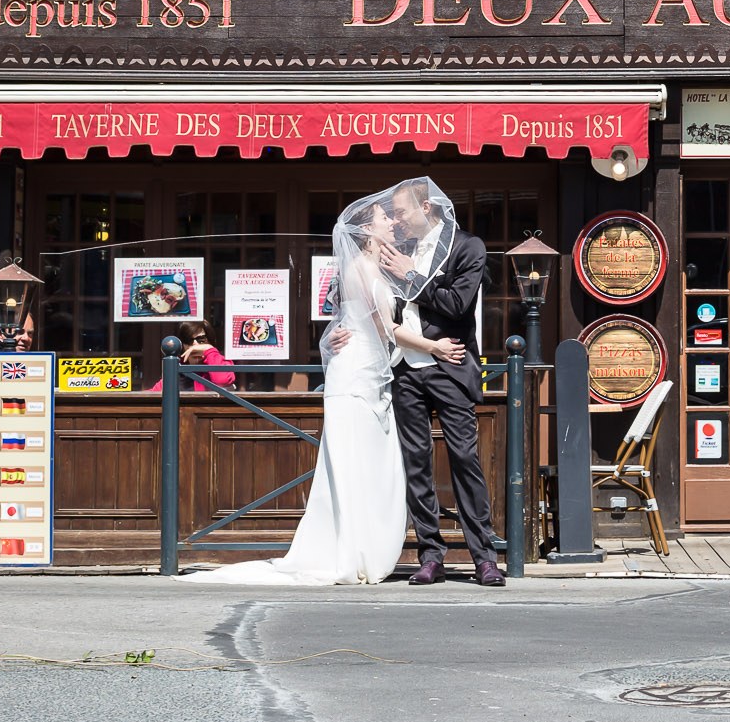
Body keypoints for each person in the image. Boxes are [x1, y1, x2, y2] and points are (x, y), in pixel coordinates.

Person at [184, 189, 454, 586]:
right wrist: (434, 347)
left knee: (369, 462)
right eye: (385, 219)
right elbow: (384, 328)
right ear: (367, 230)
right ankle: (348, 552)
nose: (392, 223)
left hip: (373, 373)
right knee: (350, 462)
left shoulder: (378, 268)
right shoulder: (360, 270)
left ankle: (363, 548)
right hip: (356, 373)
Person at [379, 176, 503, 588]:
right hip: (405, 369)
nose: (396, 221)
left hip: (450, 364)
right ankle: (430, 555)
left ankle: (484, 556)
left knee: (465, 460)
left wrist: (412, 275)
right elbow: (382, 304)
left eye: (400, 212)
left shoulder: (469, 246)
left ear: (426, 208)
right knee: (416, 464)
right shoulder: (398, 249)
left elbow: (456, 304)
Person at [147, 320, 236, 393]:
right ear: (182, 346)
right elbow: (152, 395)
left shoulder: (221, 362)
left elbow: (222, 380)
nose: (194, 344)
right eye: (188, 340)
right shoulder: (177, 373)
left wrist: (209, 350)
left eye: (201, 340)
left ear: (210, 341)